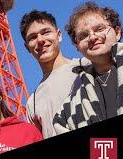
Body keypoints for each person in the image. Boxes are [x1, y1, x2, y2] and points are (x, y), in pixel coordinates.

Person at [53, 2, 123, 134]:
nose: (93, 37)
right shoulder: (69, 105)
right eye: (83, 35)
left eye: (99, 29)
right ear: (77, 46)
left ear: (117, 32)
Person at [20, 10, 90, 139]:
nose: (40, 40)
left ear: (59, 35)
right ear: (26, 47)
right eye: (33, 37)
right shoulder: (32, 102)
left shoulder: (87, 66)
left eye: (46, 32)